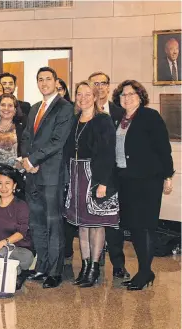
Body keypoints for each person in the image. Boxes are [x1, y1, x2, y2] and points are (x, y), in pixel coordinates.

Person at [112, 80, 174, 290]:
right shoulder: (119, 119)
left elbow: (163, 148)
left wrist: (168, 176)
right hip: (126, 180)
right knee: (135, 227)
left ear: (140, 96)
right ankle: (145, 270)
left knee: (144, 227)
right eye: (123, 95)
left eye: (131, 94)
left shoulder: (150, 116)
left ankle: (145, 272)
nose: (126, 98)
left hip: (148, 180)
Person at [21, 67, 74, 289]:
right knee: (37, 223)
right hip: (32, 175)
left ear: (56, 81)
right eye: (40, 79)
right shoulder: (34, 108)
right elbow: (25, 136)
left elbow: (57, 141)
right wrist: (25, 159)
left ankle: (55, 271)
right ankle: (41, 266)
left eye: (48, 79)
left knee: (53, 224)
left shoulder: (64, 108)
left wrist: (33, 160)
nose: (44, 83)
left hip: (51, 174)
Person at [63, 81, 119, 288]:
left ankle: (95, 267)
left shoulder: (102, 120)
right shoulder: (75, 120)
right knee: (82, 225)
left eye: (88, 94)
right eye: (79, 94)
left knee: (96, 224)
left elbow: (107, 153)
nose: (83, 97)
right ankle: (85, 266)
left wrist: (103, 182)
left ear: (95, 97)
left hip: (94, 175)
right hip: (76, 175)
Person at [87, 71, 128, 278]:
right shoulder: (85, 111)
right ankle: (95, 260)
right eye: (95, 83)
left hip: (113, 175)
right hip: (89, 175)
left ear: (109, 87)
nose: (100, 87)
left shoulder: (119, 113)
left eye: (104, 83)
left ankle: (118, 263)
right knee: (92, 220)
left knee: (113, 222)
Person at [0, 168, 34, 290]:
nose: (3, 187)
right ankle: (15, 273)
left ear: (14, 185)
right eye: (0, 183)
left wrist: (1, 243)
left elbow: (21, 232)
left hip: (21, 251)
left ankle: (16, 271)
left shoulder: (21, 205)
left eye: (7, 183)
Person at [0, 93, 26, 201]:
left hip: (14, 175)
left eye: (10, 105)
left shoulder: (22, 126)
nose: (6, 108)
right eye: (3, 105)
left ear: (15, 109)